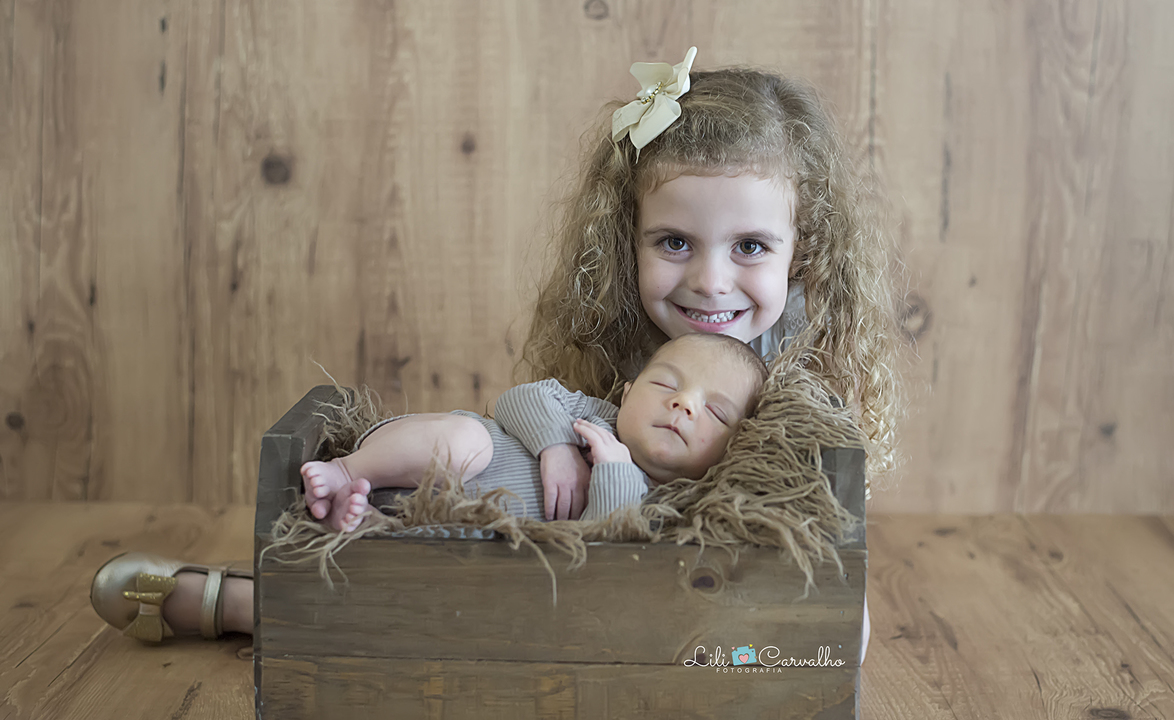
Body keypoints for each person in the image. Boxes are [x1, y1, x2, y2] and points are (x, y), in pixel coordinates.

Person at [91, 47, 900, 664]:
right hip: (544, 566)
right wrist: (555, 442)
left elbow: (817, 559)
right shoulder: (623, 338)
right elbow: (544, 441)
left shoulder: (792, 384)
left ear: (804, 251)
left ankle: (239, 602)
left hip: (669, 614)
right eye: (675, 241)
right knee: (447, 596)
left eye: (751, 244)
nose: (710, 280)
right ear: (628, 242)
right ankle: (240, 600)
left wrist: (819, 614)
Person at [299, 333, 767, 533]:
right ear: (627, 393)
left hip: (453, 529)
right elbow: (521, 397)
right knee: (467, 443)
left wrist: (616, 473)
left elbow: (599, 546)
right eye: (666, 383)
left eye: (716, 413)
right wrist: (557, 444)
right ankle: (348, 471)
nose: (684, 403)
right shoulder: (595, 415)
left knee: (438, 560)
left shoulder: (671, 508)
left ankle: (361, 520)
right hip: (422, 460)